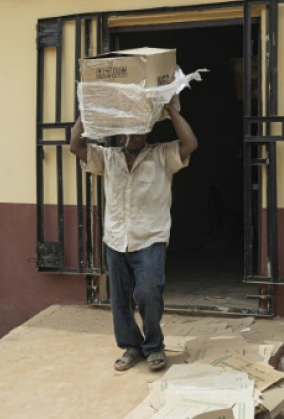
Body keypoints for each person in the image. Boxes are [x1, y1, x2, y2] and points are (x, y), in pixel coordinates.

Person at [70, 99, 197, 372]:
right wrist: (87, 113)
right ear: (120, 133)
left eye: (137, 131)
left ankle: (154, 346)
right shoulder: (108, 157)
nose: (131, 137)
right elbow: (75, 146)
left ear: (147, 131)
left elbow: (190, 144)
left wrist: (171, 109)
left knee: (149, 294)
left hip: (149, 238)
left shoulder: (162, 155)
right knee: (120, 299)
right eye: (126, 132)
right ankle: (131, 347)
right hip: (116, 239)